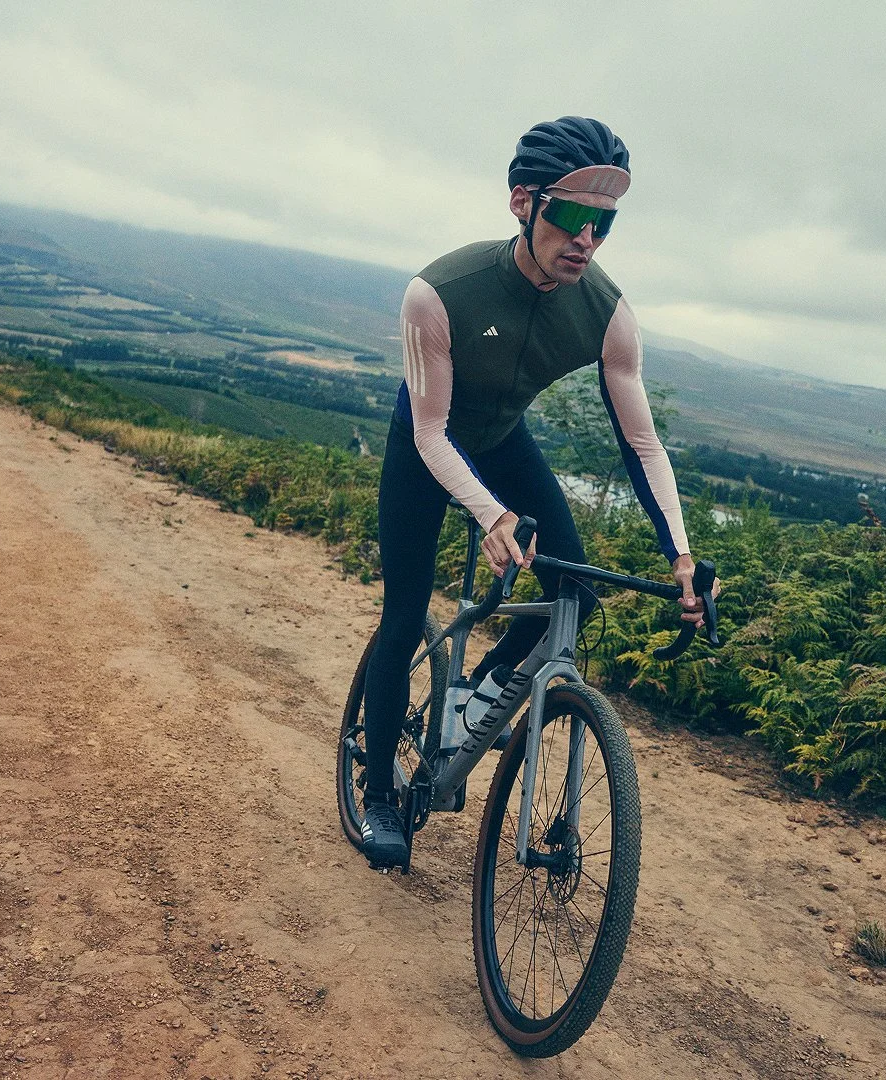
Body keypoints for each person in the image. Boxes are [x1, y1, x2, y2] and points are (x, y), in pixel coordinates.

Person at [359, 116, 712, 866]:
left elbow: (641, 441)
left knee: (573, 594)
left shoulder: (606, 312)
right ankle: (379, 798)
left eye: (603, 223)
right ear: (524, 203)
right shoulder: (441, 292)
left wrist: (682, 556)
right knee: (403, 610)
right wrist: (489, 514)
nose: (585, 239)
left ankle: (474, 695)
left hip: (503, 442)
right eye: (572, 217)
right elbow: (431, 434)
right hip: (426, 445)